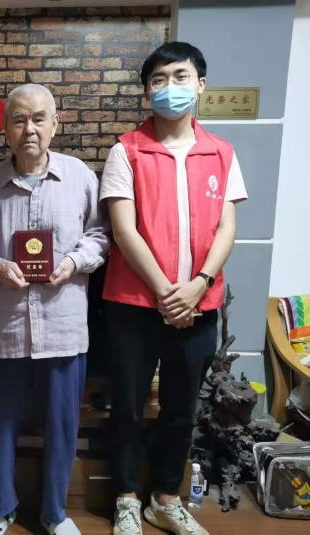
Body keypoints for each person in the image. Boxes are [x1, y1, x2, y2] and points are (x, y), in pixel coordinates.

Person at [100, 42, 248, 535]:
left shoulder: (221, 153)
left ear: (201, 84)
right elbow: (124, 230)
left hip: (199, 305)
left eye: (180, 77)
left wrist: (198, 286)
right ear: (147, 92)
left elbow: (227, 227)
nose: (169, 87)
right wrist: (168, 292)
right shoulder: (126, 150)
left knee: (182, 410)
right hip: (134, 306)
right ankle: (125, 498)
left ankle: (165, 498)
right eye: (158, 80)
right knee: (126, 406)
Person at [0, 83, 110, 535]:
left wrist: (73, 262)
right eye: (19, 119)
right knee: (0, 423)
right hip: (3, 329)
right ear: (5, 128)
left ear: (55, 125)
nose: (29, 128)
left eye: (38, 118)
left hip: (64, 326)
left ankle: (54, 514)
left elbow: (100, 236)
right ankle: (0, 508)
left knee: (62, 424)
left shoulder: (80, 177)